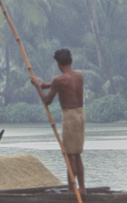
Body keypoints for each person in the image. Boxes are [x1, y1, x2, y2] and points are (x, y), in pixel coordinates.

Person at [30, 49, 86, 194]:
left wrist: (37, 86)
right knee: (77, 153)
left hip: (70, 116)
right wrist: (44, 84)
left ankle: (71, 189)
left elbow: (47, 100)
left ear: (59, 64)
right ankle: (82, 188)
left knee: (70, 154)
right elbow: (62, 84)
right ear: (71, 61)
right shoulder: (79, 75)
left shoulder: (58, 80)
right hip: (81, 114)